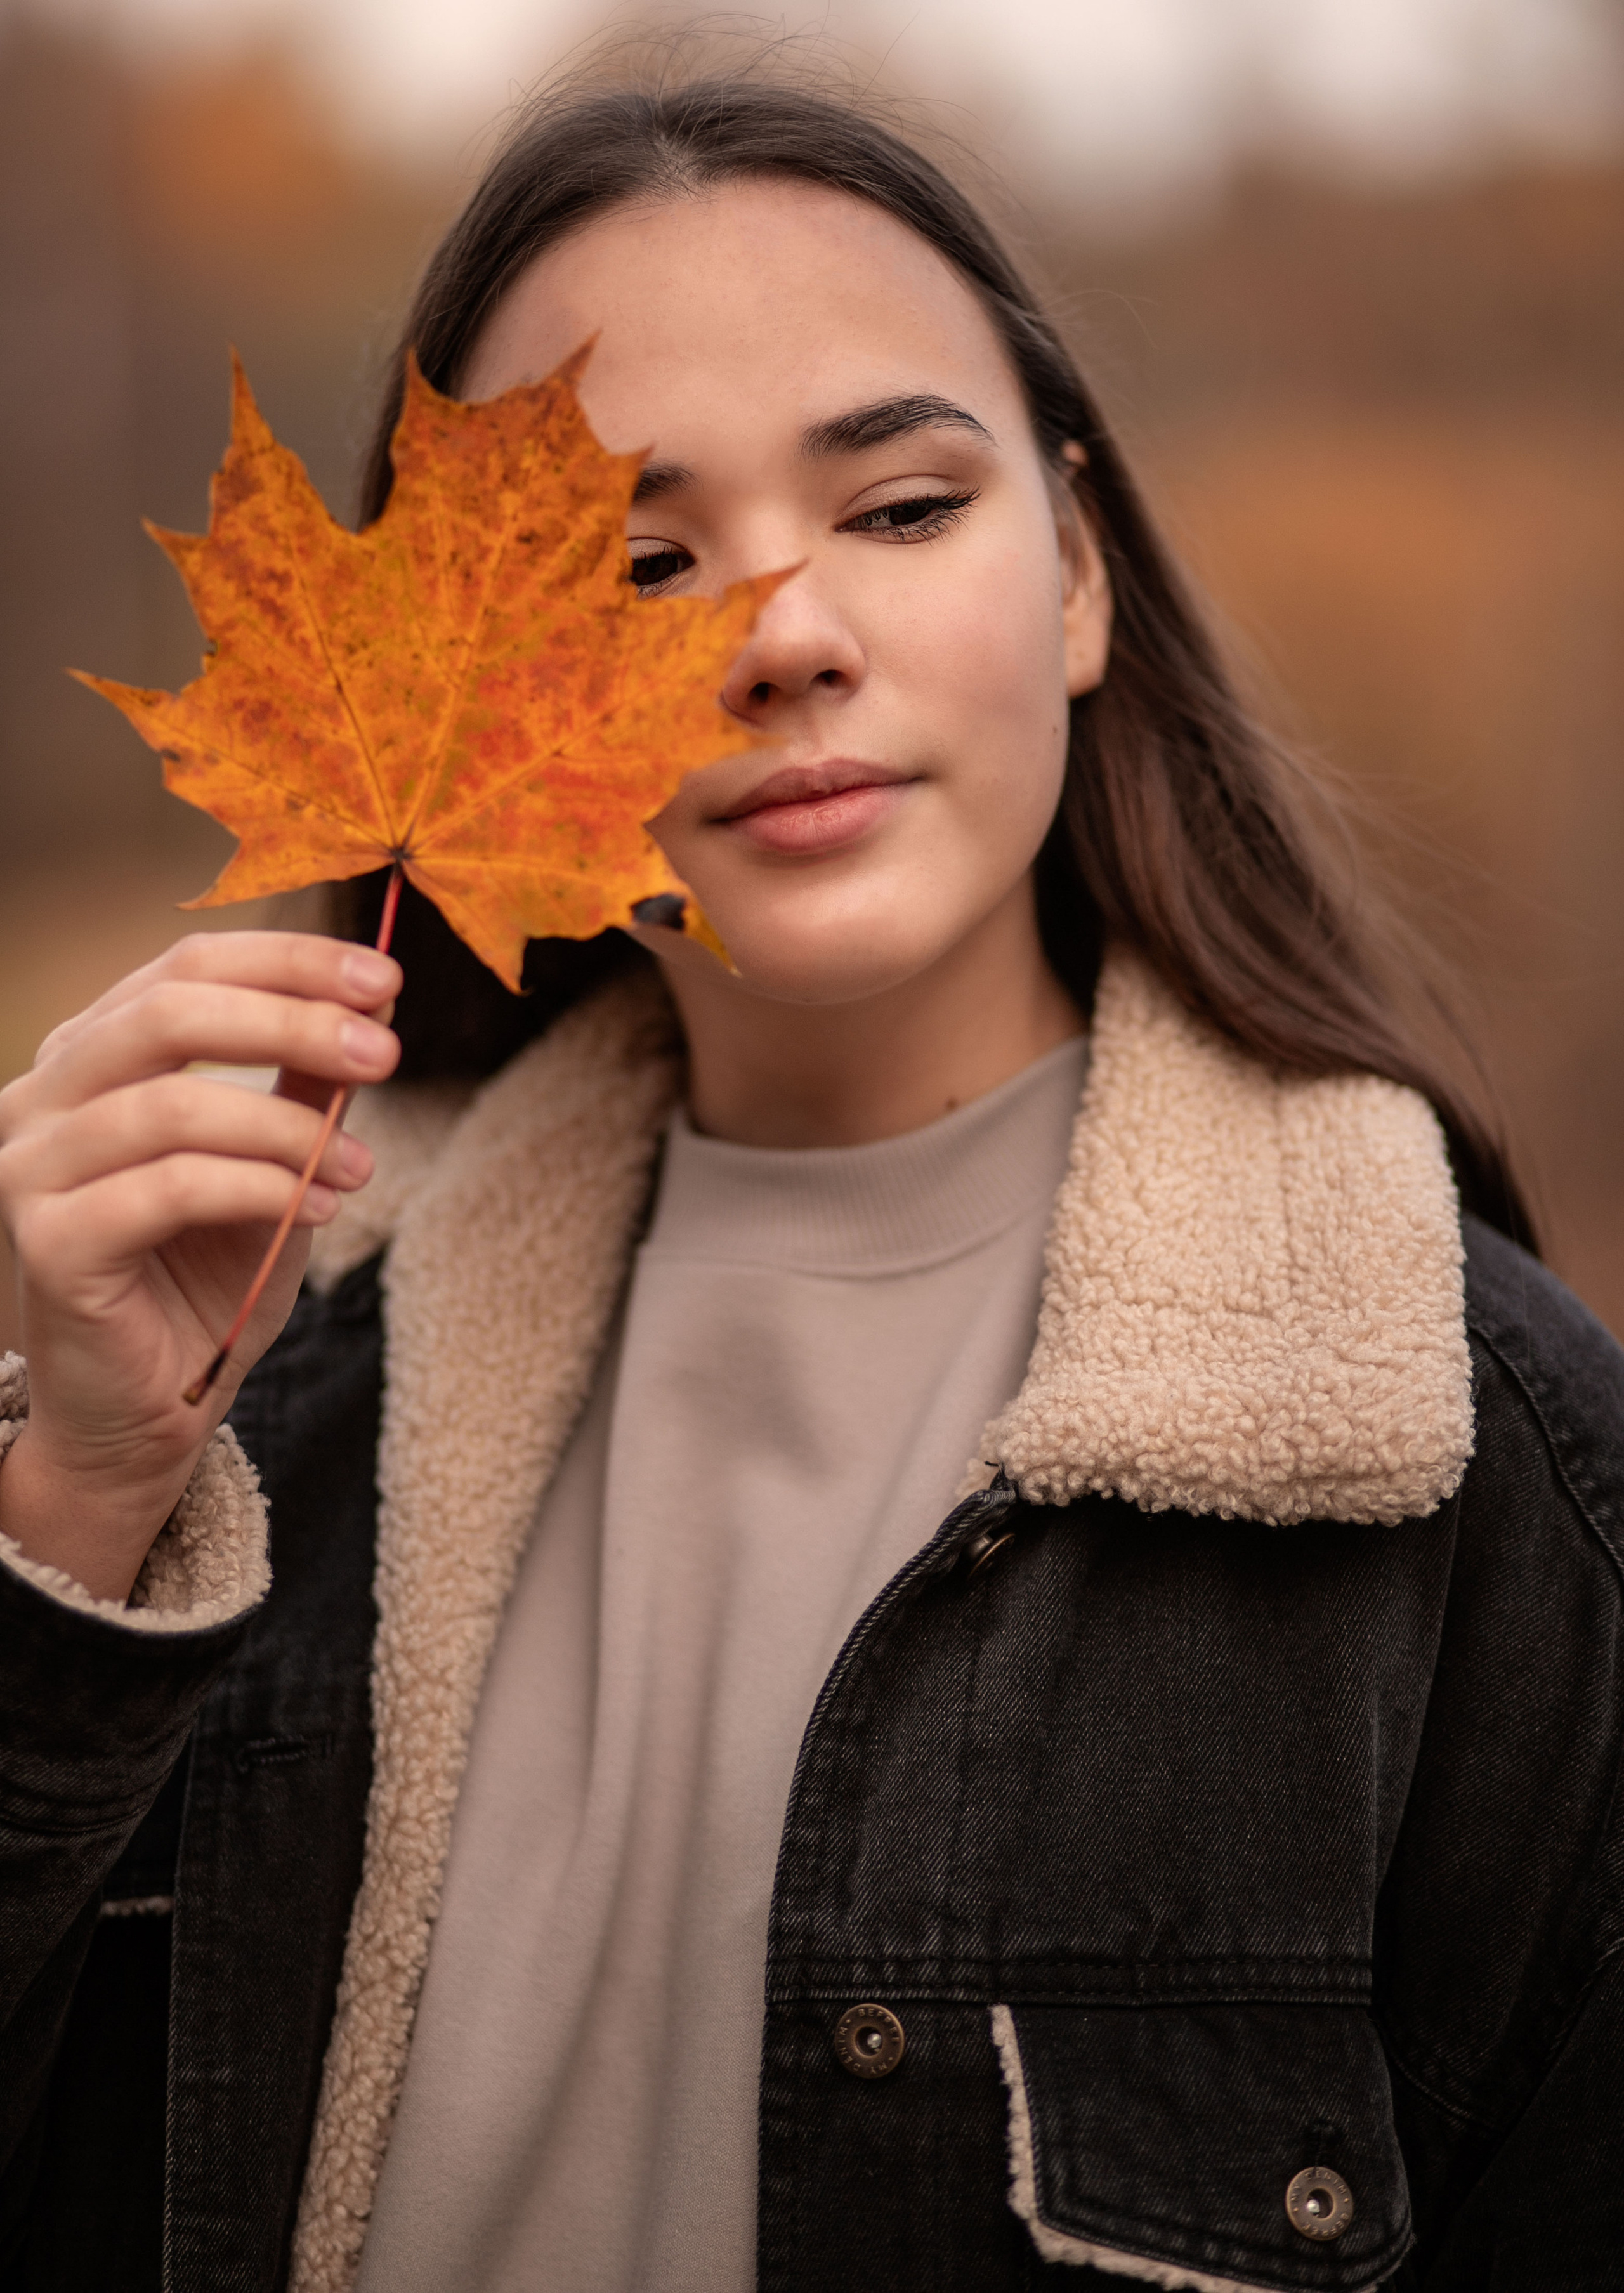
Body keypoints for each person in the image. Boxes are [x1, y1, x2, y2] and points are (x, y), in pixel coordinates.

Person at [1, 60, 1620, 2293]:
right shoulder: (252, 1401)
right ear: (474, 701)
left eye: (898, 507)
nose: (778, 633)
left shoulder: (1466, 1469)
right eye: (641, 563)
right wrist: (73, 1508)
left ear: (1074, 570)